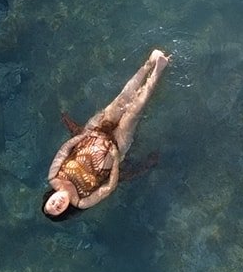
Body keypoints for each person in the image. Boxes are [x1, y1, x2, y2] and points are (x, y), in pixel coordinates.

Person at [42, 49, 170, 220]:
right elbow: (108, 188)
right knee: (134, 111)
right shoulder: (81, 202)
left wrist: (83, 136)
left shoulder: (53, 177)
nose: (57, 204)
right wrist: (116, 158)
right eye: (58, 209)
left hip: (92, 133)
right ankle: (158, 70)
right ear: (64, 210)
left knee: (122, 99)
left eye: (52, 204)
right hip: (116, 147)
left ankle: (149, 63)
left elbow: (64, 150)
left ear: (49, 198)